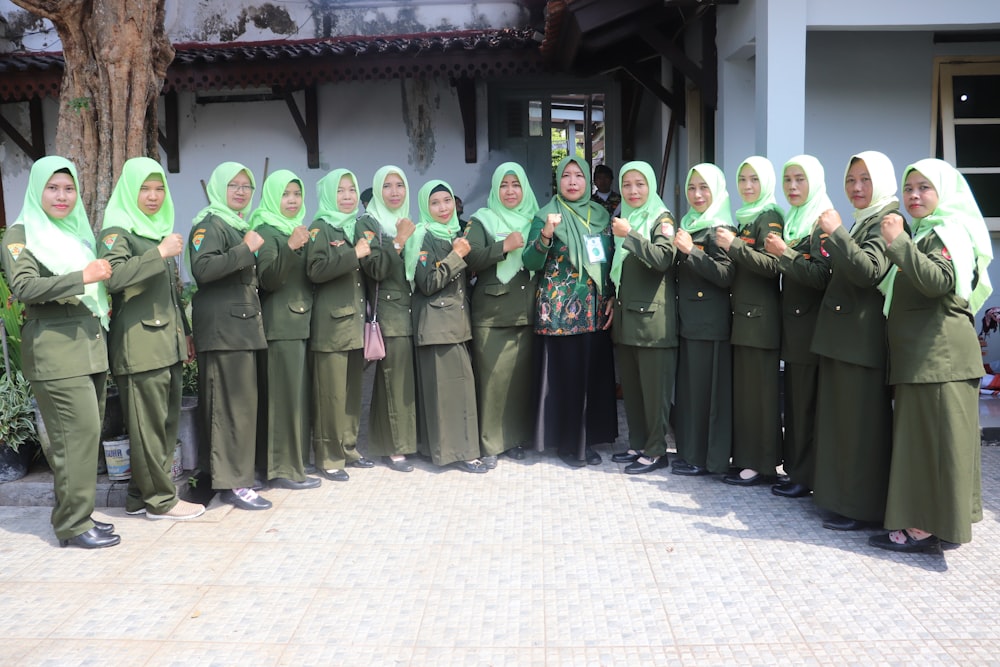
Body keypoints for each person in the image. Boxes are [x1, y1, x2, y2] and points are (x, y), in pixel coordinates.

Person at [871, 159, 991, 554]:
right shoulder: (927, 233)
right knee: (937, 444)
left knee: (932, 445)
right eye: (909, 189)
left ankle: (924, 529)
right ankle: (943, 522)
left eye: (924, 188)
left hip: (939, 359)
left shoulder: (948, 232)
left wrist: (897, 241)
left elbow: (939, 281)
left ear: (944, 192)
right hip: (927, 360)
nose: (914, 196)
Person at [2, 156, 118, 548]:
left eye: (68, 188)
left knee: (86, 437)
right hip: (55, 352)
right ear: (37, 189)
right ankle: (72, 524)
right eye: (52, 188)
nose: (62, 196)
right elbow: (24, 287)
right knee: (75, 437)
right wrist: (81, 278)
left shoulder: (74, 232)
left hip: (88, 347)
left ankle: (79, 515)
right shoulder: (21, 234)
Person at [99, 156, 204, 521]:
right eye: (144, 189)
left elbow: (172, 293)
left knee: (163, 426)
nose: (154, 196)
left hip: (167, 343)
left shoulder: (155, 231)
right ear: (129, 191)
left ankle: (137, 497)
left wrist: (185, 334)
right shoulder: (117, 231)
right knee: (148, 429)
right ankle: (161, 502)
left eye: (159, 188)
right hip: (139, 346)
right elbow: (112, 278)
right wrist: (158, 253)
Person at [808, 152, 897, 524]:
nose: (857, 188)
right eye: (850, 180)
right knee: (841, 425)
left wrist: (838, 233)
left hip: (861, 342)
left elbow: (870, 272)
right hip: (844, 339)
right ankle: (839, 498)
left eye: (865, 179)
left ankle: (859, 507)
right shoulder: (865, 220)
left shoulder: (886, 220)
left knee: (860, 429)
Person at [523, 156, 617, 467]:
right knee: (565, 379)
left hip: (593, 310)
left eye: (578, 176)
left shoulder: (601, 215)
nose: (573, 182)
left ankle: (586, 439)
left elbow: (607, 261)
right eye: (567, 176)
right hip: (558, 314)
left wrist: (611, 296)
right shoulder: (546, 214)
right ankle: (566, 443)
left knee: (589, 379)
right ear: (558, 181)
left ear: (588, 182)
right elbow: (530, 262)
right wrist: (546, 235)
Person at [188, 161, 271, 511]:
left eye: (246, 186)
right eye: (233, 185)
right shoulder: (210, 224)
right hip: (224, 331)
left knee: (243, 407)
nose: (240, 191)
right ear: (219, 188)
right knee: (229, 408)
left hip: (241, 330)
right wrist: (246, 249)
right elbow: (202, 269)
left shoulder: (238, 224)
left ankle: (239, 475)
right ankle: (233, 483)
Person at [762, 155, 832, 493]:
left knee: (804, 405)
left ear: (814, 182)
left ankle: (804, 476)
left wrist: (783, 255)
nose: (792, 186)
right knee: (794, 401)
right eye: (788, 179)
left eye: (800, 180)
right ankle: (796, 469)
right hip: (793, 327)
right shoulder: (794, 220)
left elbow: (820, 276)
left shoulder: (820, 223)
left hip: (810, 329)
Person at [249, 169, 322, 489]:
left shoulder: (294, 228)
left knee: (296, 398)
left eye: (296, 194)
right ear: (271, 197)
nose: (292, 200)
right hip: (280, 326)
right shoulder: (266, 230)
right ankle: (281, 470)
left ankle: (292, 463)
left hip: (300, 324)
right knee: (284, 400)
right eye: (285, 194)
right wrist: (291, 247)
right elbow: (268, 279)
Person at [407, 180, 486, 473]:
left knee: (449, 392)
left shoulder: (455, 232)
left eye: (447, 201)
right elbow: (427, 283)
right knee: (454, 391)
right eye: (435, 203)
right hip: (438, 325)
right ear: (425, 207)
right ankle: (462, 453)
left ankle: (440, 450)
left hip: (455, 323)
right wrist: (457, 256)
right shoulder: (421, 236)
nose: (442, 208)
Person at [715, 156, 784, 486]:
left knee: (761, 396)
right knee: (745, 395)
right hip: (743, 318)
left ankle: (762, 463)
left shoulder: (769, 216)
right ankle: (746, 458)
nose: (747, 186)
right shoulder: (746, 217)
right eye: (742, 180)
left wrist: (736, 246)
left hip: (760, 319)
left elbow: (773, 266)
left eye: (754, 180)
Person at [606, 161, 678, 474]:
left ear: (650, 186)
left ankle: (656, 450)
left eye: (640, 184)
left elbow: (663, 259)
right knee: (633, 390)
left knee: (654, 391)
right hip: (627, 318)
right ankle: (636, 444)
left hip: (653, 322)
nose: (633, 191)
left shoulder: (661, 218)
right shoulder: (626, 217)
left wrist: (631, 235)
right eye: (627, 185)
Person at [465, 162, 539, 464]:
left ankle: (516, 438)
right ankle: (490, 443)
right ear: (495, 189)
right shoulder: (481, 219)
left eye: (516, 184)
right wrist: (503, 246)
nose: (510, 191)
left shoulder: (535, 218)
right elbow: (472, 259)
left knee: (519, 382)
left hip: (526, 310)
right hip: (492, 314)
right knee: (492, 381)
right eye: (504, 185)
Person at [306, 169, 375, 481]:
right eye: (341, 191)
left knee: (349, 393)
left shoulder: (354, 227)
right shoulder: (320, 227)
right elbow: (316, 270)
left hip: (354, 322)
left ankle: (348, 448)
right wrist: (353, 254)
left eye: (351, 190)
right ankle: (328, 456)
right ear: (328, 195)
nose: (347, 197)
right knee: (330, 396)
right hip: (331, 326)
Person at [670, 163, 735, 477]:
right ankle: (692, 453)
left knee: (708, 397)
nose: (696, 194)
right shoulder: (691, 223)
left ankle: (708, 460)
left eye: (704, 187)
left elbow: (725, 275)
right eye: (692, 188)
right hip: (690, 323)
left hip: (710, 325)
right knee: (692, 394)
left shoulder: (720, 227)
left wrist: (690, 252)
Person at [355, 165, 418, 472]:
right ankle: (395, 447)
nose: (394, 192)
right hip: (390, 312)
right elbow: (375, 268)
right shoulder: (369, 222)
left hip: (412, 309)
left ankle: (392, 442)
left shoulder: (406, 220)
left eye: (400, 185)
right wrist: (399, 241)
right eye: (387, 186)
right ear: (377, 191)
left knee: (401, 382)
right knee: (394, 381)